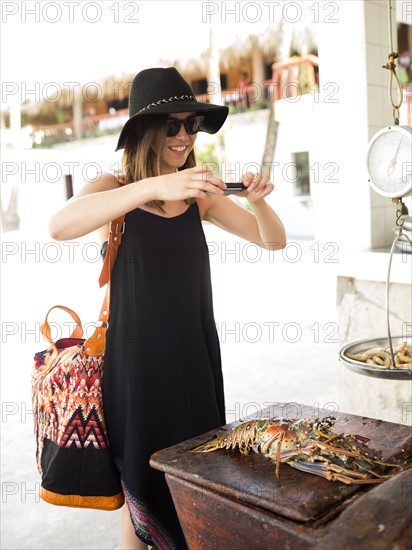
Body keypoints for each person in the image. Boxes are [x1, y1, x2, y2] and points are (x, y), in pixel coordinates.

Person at [49, 67, 286, 550]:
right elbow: (59, 225)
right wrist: (154, 187)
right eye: (171, 125)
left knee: (195, 481)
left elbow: (272, 241)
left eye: (190, 125)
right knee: (141, 489)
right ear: (144, 130)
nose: (183, 136)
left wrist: (259, 202)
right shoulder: (114, 187)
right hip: (135, 368)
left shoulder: (199, 198)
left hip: (196, 362)